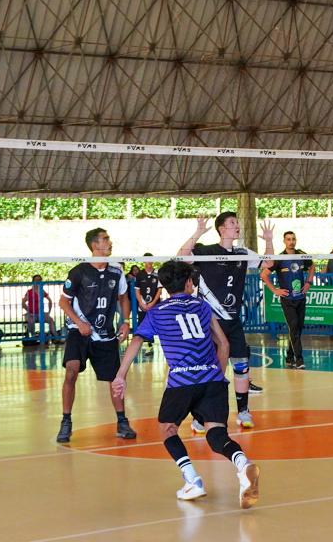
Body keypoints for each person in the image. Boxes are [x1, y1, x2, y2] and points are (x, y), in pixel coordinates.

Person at [112, 261, 260, 509]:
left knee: (167, 429)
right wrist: (217, 374)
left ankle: (192, 479)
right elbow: (223, 344)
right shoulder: (202, 306)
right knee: (216, 434)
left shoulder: (157, 312)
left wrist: (120, 375)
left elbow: (138, 340)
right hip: (212, 379)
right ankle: (243, 465)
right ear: (189, 283)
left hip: (181, 381)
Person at [179, 213, 274, 429]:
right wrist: (198, 232)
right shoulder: (207, 251)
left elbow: (269, 262)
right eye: (232, 223)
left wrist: (268, 239)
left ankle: (243, 412)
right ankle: (201, 417)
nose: (237, 226)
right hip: (210, 321)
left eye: (237, 222)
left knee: (241, 366)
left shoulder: (242, 253)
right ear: (221, 229)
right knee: (213, 371)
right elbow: (182, 256)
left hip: (233, 321)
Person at [55, 228, 135, 443]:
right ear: (94, 245)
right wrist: (79, 322)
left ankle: (122, 421)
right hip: (78, 331)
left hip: (105, 334)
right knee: (71, 371)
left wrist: (126, 321)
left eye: (109, 238)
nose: (110, 242)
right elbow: (63, 301)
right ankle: (66, 421)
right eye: (105, 239)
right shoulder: (79, 271)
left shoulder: (116, 271)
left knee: (115, 378)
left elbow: (123, 298)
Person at [260, 231, 314, 369]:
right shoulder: (279, 258)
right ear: (284, 241)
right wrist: (275, 290)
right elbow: (264, 275)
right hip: (287, 300)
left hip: (301, 298)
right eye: (288, 239)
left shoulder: (301, 254)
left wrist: (308, 282)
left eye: (293, 239)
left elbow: (312, 266)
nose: (291, 241)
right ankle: (299, 359)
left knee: (297, 328)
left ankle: (289, 356)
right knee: (294, 326)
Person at [135, 254, 162, 357]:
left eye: (151, 260)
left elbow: (159, 290)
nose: (149, 263)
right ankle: (148, 347)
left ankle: (164, 345)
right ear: (143, 262)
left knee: (157, 323)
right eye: (147, 260)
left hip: (154, 304)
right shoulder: (140, 274)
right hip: (143, 304)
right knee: (143, 323)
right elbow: (137, 291)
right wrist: (142, 303)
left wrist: (152, 303)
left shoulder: (157, 273)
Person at [23, 275, 59, 343]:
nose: (38, 281)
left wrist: (48, 312)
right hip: (31, 314)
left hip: (40, 313)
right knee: (31, 321)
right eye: (36, 280)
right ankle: (33, 337)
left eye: (39, 280)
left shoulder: (42, 291)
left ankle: (56, 337)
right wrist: (29, 311)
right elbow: (23, 302)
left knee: (51, 320)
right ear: (33, 281)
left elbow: (50, 300)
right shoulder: (29, 292)